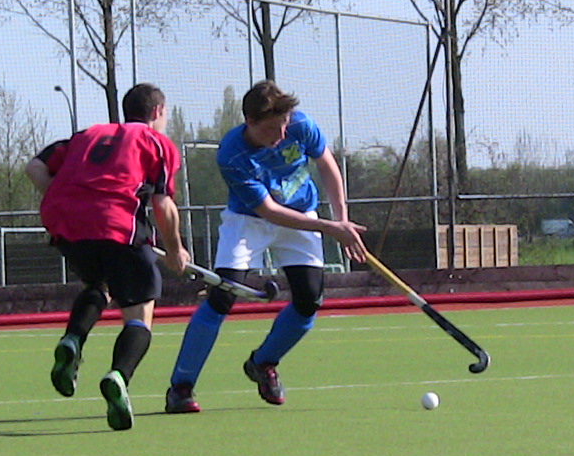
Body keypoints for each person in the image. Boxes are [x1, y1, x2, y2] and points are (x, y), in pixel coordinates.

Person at [164, 80, 368, 413]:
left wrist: (341, 219)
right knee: (222, 296)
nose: (282, 134)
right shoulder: (232, 154)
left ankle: (263, 363)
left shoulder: (300, 125)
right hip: (249, 222)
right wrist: (331, 228)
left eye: (285, 125)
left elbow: (328, 166)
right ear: (250, 122)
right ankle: (181, 388)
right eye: (273, 129)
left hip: (302, 213)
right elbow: (269, 212)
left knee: (309, 300)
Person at [25, 82, 189, 431]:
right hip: (116, 224)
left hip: (65, 222)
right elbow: (162, 204)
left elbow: (35, 168)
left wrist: (70, 198)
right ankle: (119, 376)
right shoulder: (157, 142)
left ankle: (73, 339)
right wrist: (175, 249)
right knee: (140, 314)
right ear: (157, 112)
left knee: (98, 283)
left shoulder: (86, 135)